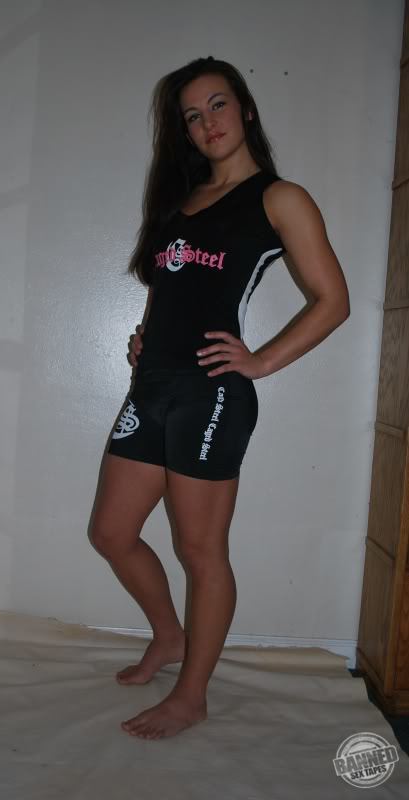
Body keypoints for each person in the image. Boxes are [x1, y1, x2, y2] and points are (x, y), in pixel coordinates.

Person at [89, 56, 350, 740]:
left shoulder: (278, 198)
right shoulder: (178, 203)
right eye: (192, 115)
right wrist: (145, 337)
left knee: (200, 550)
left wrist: (260, 360)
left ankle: (192, 694)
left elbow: (333, 301)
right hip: (152, 386)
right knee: (111, 533)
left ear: (245, 109)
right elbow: (168, 289)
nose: (207, 123)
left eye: (218, 105)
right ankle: (169, 636)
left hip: (211, 394)